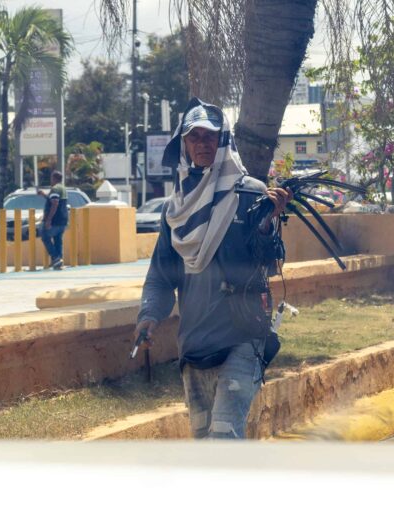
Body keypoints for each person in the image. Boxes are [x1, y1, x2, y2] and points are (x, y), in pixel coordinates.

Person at [134, 98, 291, 440]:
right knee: (204, 442)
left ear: (223, 141)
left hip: (242, 337)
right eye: (195, 137)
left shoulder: (250, 194)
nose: (203, 143)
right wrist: (148, 316)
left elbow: (272, 261)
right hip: (194, 343)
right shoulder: (175, 207)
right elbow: (162, 275)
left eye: (210, 136)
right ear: (184, 144)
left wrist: (268, 225)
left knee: (223, 436)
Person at [37, 170, 68, 270]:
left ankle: (55, 258)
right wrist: (44, 195)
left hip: (55, 220)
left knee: (45, 236)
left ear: (54, 178)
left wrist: (48, 220)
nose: (50, 180)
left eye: (51, 178)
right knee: (58, 239)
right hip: (63, 220)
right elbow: (53, 200)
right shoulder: (63, 188)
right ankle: (59, 261)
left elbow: (54, 204)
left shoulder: (55, 189)